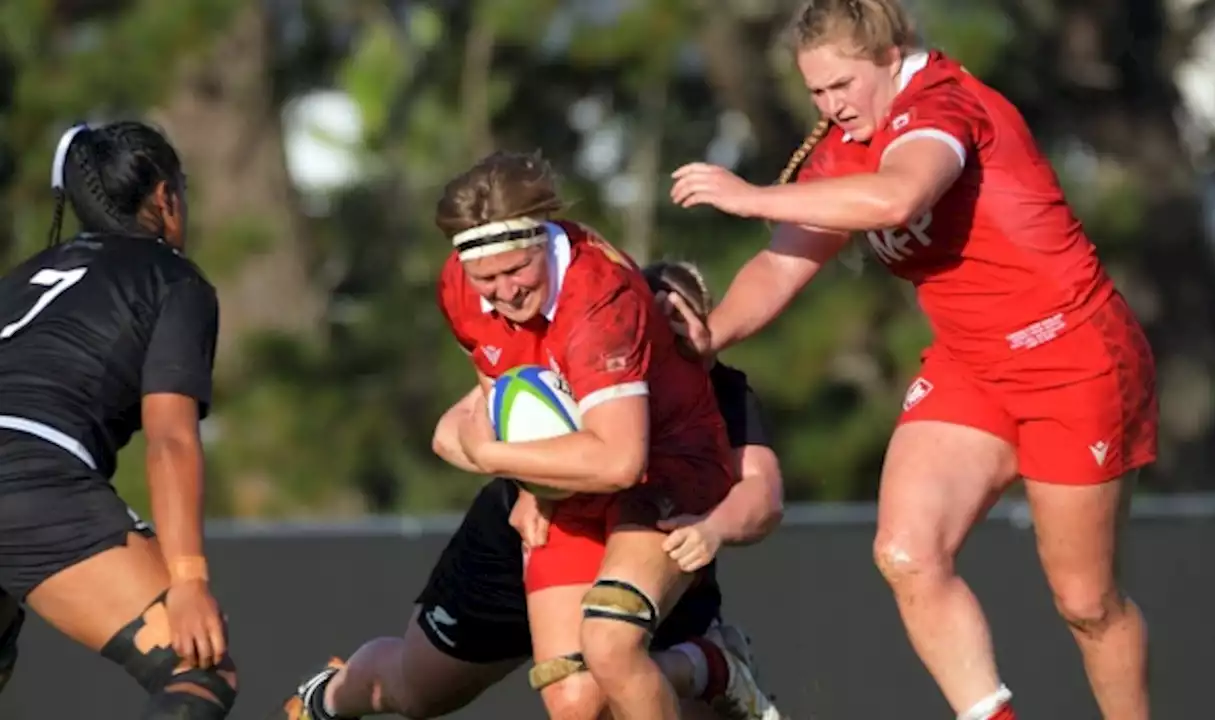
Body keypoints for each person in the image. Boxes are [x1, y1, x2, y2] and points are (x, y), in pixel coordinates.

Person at [666, 1, 1157, 719]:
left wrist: (746, 197)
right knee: (906, 551)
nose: (832, 107)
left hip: (1071, 359)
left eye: (843, 86)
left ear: (891, 58)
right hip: (971, 364)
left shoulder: (944, 104)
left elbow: (900, 198)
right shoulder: (845, 142)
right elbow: (779, 270)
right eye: (817, 94)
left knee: (1085, 602)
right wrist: (704, 339)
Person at [277, 258, 786, 720]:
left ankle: (710, 667)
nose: (665, 329)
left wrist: (712, 527)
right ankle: (328, 697)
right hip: (522, 540)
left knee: (623, 690)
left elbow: (761, 493)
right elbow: (450, 433)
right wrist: (531, 477)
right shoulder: (583, 354)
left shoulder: (719, 392)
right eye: (652, 312)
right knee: (418, 691)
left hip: (644, 549)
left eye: (682, 316)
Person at [0, 121, 233, 718]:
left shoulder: (24, 277)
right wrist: (187, 580)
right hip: (28, 480)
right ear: (164, 197)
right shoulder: (173, 278)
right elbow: (170, 439)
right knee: (196, 669)